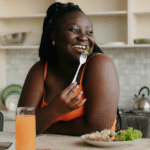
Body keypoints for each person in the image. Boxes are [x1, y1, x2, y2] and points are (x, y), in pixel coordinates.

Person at [18, 2, 120, 136]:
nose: (84, 37)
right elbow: (22, 123)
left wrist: (49, 125)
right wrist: (54, 109)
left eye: (89, 32)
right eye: (74, 30)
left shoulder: (100, 64)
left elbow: (98, 128)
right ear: (54, 36)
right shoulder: (40, 70)